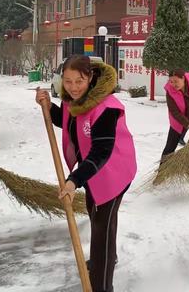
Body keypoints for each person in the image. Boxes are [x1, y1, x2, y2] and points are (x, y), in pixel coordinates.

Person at [36, 55, 136, 292]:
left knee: (102, 228)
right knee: (98, 219)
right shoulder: (76, 101)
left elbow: (101, 151)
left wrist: (74, 180)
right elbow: (69, 121)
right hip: (91, 174)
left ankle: (102, 283)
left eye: (79, 81)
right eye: (68, 81)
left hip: (113, 173)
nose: (73, 87)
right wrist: (49, 106)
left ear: (90, 77)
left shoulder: (106, 107)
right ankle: (105, 258)